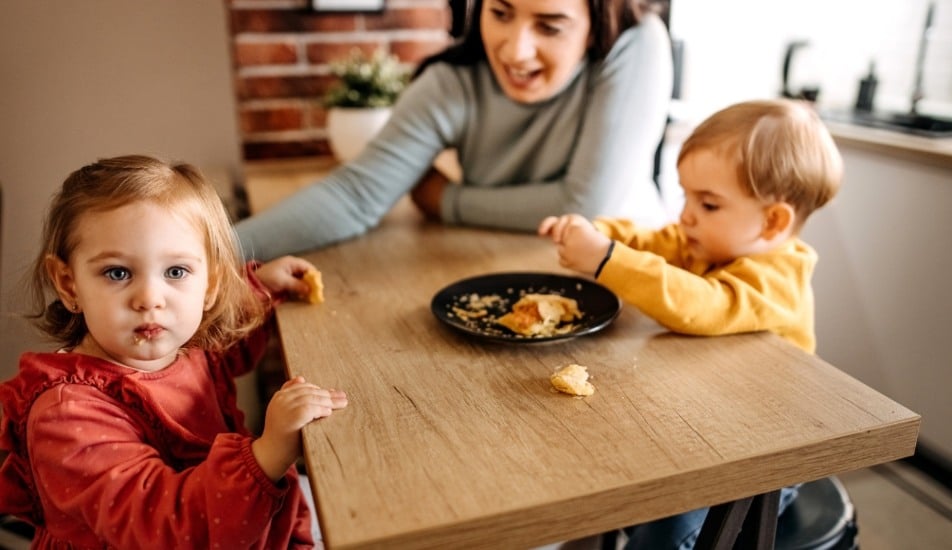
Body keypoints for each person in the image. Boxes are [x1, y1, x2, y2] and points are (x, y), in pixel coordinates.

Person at [539, 98, 843, 548]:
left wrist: (607, 260)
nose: (686, 215)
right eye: (685, 195)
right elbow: (652, 240)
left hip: (762, 463)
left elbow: (704, 305)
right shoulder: (706, 242)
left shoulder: (780, 278)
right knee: (596, 475)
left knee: (662, 535)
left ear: (773, 220)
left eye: (708, 203)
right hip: (706, 432)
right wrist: (598, 234)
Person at [0, 155, 348, 548]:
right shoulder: (65, 416)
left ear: (211, 283)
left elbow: (222, 347)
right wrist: (266, 455)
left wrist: (260, 288)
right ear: (69, 284)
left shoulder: (182, 344)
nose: (150, 299)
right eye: (118, 273)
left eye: (176, 272)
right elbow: (164, 528)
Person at [235, 0, 674, 260]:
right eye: (500, 12)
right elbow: (353, 196)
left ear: (596, 24)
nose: (515, 50)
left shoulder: (637, 44)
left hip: (632, 281)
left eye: (549, 26)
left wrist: (449, 201)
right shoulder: (451, 82)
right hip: (495, 269)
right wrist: (216, 253)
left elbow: (584, 206)